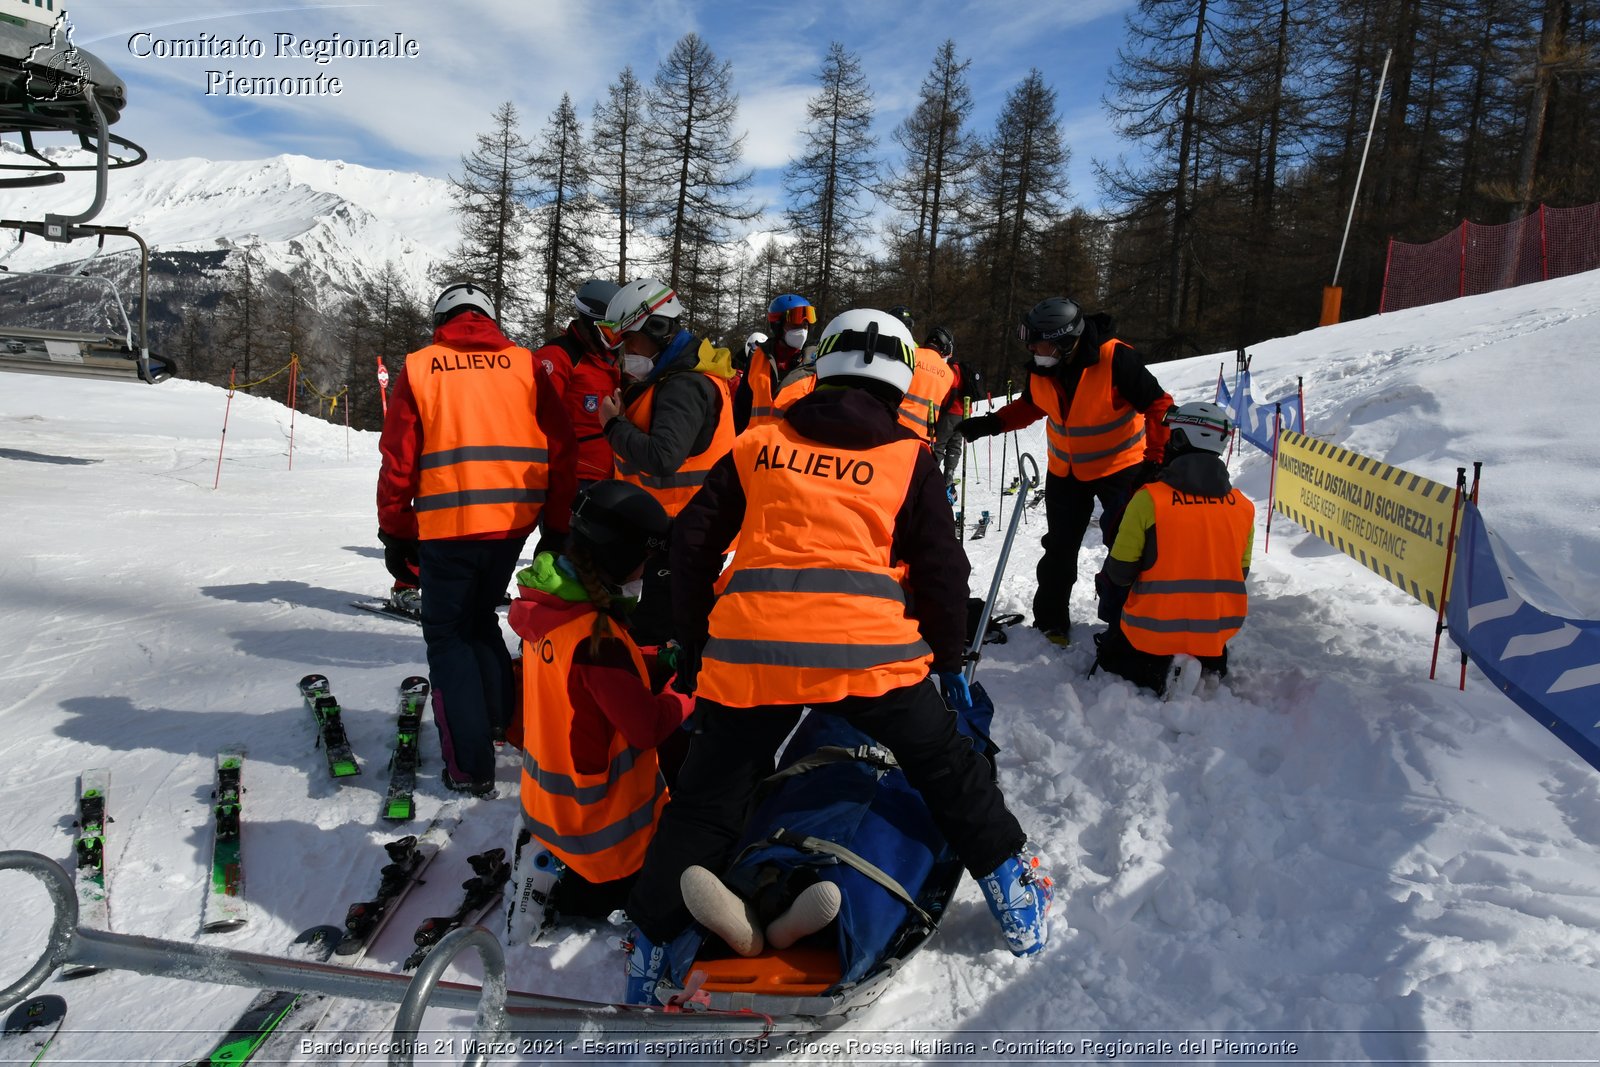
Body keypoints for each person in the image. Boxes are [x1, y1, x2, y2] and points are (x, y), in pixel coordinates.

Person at [621, 308, 1052, 1006]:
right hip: (867, 655)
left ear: (820, 364)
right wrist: (945, 663)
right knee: (946, 768)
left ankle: (648, 941)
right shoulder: (909, 457)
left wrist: (698, 639)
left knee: (705, 804)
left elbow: (691, 543)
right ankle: (1012, 889)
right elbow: (944, 572)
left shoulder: (759, 442)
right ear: (905, 379)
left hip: (750, 655)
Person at [377, 281, 576, 796]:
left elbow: (398, 460)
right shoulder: (527, 364)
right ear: (489, 318)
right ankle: (497, 723)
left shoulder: (421, 366)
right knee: (480, 618)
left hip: (448, 526)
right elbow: (562, 447)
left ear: (441, 319)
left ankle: (469, 766)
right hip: (512, 524)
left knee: (448, 637)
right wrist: (556, 524)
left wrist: (395, 531)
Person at [505, 480, 693, 937]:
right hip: (604, 837)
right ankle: (580, 896)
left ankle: (553, 871)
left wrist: (651, 662)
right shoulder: (598, 641)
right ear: (621, 557)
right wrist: (687, 692)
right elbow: (647, 727)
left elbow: (582, 684)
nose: (644, 573)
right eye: (644, 562)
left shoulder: (552, 609)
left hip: (548, 810)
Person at [958, 296, 1173, 646]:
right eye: (1031, 342)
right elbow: (1032, 405)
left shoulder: (1115, 358)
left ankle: (1130, 624)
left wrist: (1156, 458)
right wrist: (993, 423)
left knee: (1124, 545)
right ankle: (1051, 622)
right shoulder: (1043, 366)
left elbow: (1159, 404)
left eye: (1041, 343)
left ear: (1066, 341)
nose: (1034, 349)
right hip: (1066, 470)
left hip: (1121, 468)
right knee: (1059, 548)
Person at [596, 278, 736, 646]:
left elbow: (662, 457)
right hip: (671, 527)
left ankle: (667, 697)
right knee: (663, 624)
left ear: (658, 329)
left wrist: (612, 425)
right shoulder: (670, 377)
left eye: (629, 339)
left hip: (684, 529)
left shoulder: (685, 385)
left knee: (661, 632)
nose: (625, 351)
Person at [1093, 401, 1254, 697]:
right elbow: (1239, 572)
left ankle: (1159, 670)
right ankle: (1203, 663)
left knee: (1111, 590)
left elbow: (1119, 573)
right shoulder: (1243, 506)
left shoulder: (1150, 499)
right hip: (1214, 638)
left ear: (1180, 439)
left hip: (1149, 636)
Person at [533, 279, 622, 489]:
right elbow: (539, 422)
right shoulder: (558, 357)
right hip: (573, 478)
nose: (616, 341)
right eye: (610, 333)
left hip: (611, 476)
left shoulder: (610, 361)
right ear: (590, 324)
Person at [733, 294, 813, 433]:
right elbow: (741, 408)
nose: (802, 329)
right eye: (795, 322)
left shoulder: (814, 364)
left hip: (790, 451)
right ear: (777, 324)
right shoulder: (757, 358)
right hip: (755, 446)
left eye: (806, 323)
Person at [925, 325, 966, 487]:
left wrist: (942, 409)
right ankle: (948, 474)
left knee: (939, 444)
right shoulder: (962, 369)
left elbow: (949, 391)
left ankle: (931, 473)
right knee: (955, 445)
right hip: (964, 413)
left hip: (950, 413)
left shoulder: (950, 369)